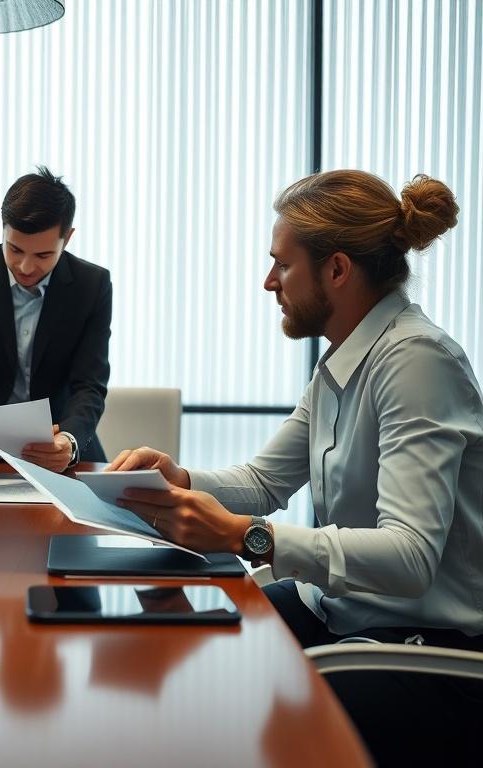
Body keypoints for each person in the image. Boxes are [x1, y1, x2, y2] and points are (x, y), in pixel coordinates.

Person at [109, 170, 483, 764]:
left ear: (337, 269)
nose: (268, 282)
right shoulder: (342, 360)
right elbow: (264, 482)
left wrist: (246, 536)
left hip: (423, 647)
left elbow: (410, 559)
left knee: (240, 712)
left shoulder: (416, 363)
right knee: (184, 652)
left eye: (282, 265)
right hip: (343, 612)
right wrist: (179, 480)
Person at [0, 167, 112, 474]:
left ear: (67, 238)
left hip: (57, 447)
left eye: (43, 255)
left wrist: (68, 441)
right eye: (14, 249)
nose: (26, 267)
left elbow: (89, 384)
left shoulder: (92, 286)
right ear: (3, 228)